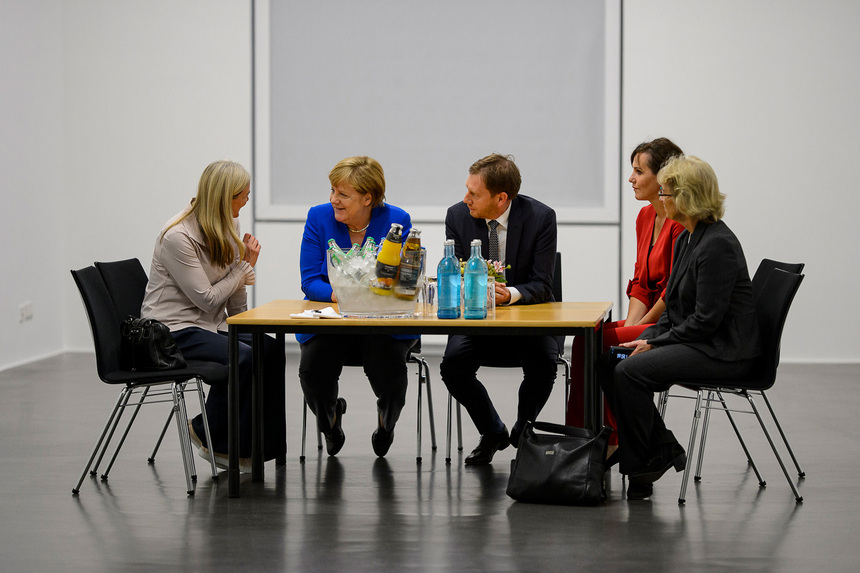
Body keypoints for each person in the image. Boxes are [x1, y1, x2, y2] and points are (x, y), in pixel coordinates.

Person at [601, 155, 762, 500]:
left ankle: (642, 467)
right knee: (611, 360)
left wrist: (656, 344)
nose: (661, 199)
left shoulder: (717, 244)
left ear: (686, 197)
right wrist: (650, 337)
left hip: (724, 352)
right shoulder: (686, 239)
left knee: (628, 373)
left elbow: (706, 321)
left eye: (666, 193)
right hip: (702, 342)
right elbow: (675, 308)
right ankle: (660, 448)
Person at [141, 160, 286, 472]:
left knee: (270, 349)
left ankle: (262, 446)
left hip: (208, 325)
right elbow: (207, 299)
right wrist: (244, 268)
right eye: (242, 195)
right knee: (243, 357)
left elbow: (231, 289)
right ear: (224, 198)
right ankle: (211, 435)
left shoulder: (227, 224)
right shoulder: (177, 237)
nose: (247, 200)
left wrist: (244, 321)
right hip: (173, 330)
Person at [566, 138, 685, 455]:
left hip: (671, 325)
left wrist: (637, 330)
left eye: (638, 171)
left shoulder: (681, 223)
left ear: (662, 178)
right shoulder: (645, 217)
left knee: (601, 343)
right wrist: (630, 325)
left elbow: (672, 292)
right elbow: (641, 283)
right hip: (649, 318)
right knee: (587, 337)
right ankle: (584, 434)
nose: (630, 178)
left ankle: (611, 439)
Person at [440, 153, 559, 465]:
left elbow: (543, 285)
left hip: (527, 318)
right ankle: (492, 430)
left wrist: (510, 296)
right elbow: (457, 273)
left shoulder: (541, 218)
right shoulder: (457, 216)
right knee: (452, 365)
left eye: (474, 193)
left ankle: (523, 429)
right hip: (478, 319)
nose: (465, 199)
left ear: (501, 197)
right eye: (466, 189)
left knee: (545, 363)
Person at [298, 156, 417, 457]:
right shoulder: (318, 217)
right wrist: (345, 295)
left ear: (368, 198)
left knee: (387, 365)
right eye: (333, 191)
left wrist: (363, 295)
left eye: (342, 194)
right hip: (332, 320)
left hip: (381, 322)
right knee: (313, 368)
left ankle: (386, 423)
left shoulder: (397, 220)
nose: (333, 199)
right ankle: (330, 423)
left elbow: (398, 280)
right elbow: (311, 282)